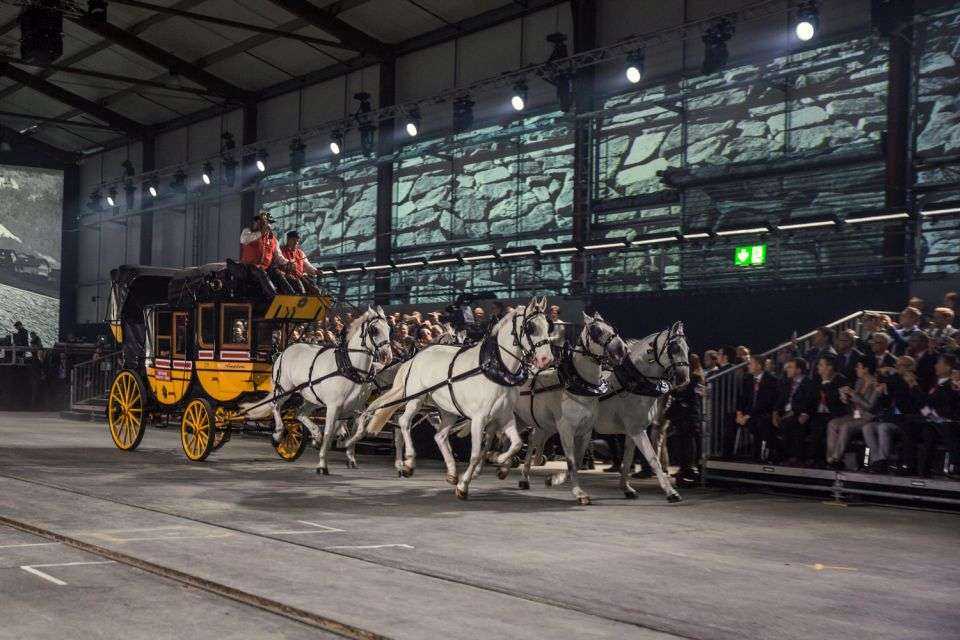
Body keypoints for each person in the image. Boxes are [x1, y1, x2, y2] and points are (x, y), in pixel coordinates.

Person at [825, 359, 880, 469]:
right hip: (855, 415)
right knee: (832, 423)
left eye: (858, 367)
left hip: (868, 417)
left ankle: (836, 458)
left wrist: (853, 393)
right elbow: (854, 403)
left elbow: (869, 406)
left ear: (866, 369)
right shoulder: (859, 382)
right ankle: (829, 457)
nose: (856, 369)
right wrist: (845, 398)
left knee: (845, 426)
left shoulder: (876, 384)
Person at [727, 354, 779, 460]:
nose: (748, 366)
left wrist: (748, 415)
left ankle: (758, 455)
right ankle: (729, 454)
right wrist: (739, 413)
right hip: (749, 413)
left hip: (764, 412)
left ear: (759, 366)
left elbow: (766, 402)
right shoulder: (747, 378)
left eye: (751, 363)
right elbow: (742, 398)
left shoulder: (771, 380)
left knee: (759, 422)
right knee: (730, 420)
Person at [666, 353, 705, 484]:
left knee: (688, 445)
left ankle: (687, 470)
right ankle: (684, 469)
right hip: (684, 416)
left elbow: (688, 395)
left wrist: (675, 391)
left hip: (689, 416)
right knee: (683, 444)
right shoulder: (691, 378)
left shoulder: (695, 378)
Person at [774, 358, 818, 466]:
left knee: (790, 423)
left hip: (799, 413)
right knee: (766, 422)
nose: (787, 370)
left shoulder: (808, 383)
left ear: (798, 370)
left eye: (790, 367)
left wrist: (802, 413)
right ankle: (775, 455)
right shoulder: (786, 382)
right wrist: (774, 413)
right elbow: (780, 400)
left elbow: (810, 401)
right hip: (786, 413)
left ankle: (793, 457)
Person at [239, 211, 294, 293]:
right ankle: (273, 296)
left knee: (278, 273)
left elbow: (279, 257)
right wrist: (261, 232)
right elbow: (244, 240)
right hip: (249, 267)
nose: (268, 225)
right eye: (266, 222)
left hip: (266, 268)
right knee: (260, 272)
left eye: (269, 223)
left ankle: (291, 295)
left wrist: (287, 263)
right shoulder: (248, 231)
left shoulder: (273, 239)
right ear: (258, 222)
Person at [279, 230, 321, 295]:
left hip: (300, 277)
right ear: (288, 240)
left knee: (314, 287)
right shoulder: (281, 251)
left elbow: (307, 265)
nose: (296, 242)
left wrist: (315, 271)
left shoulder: (300, 253)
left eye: (297, 240)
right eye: (293, 240)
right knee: (298, 286)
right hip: (287, 278)